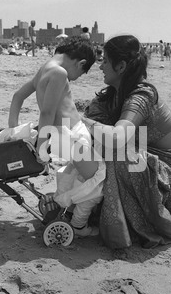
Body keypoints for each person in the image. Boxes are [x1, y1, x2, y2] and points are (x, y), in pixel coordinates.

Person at [81, 35, 171, 249]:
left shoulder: (142, 96)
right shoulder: (114, 95)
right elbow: (92, 120)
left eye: (105, 60)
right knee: (90, 145)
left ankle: (125, 224)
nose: (100, 66)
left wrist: (79, 120)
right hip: (151, 166)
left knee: (119, 156)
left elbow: (117, 138)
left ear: (121, 66)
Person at [8, 36, 105, 237]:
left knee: (78, 175)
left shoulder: (45, 67)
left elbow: (18, 96)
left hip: (65, 136)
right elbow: (47, 114)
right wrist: (41, 149)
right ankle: (78, 225)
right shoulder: (60, 73)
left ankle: (67, 211)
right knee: (98, 179)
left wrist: (13, 130)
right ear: (81, 63)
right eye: (79, 74)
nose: (75, 78)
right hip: (72, 135)